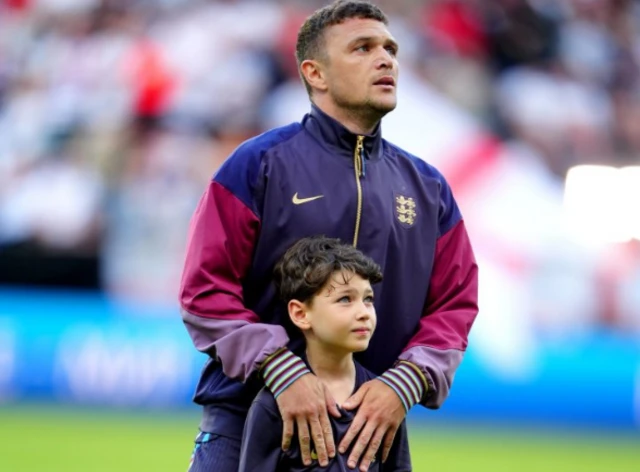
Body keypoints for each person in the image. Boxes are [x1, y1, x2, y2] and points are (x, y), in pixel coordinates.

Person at [180, 1, 479, 471]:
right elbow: (205, 290)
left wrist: (405, 382)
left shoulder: (429, 188)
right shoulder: (257, 165)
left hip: (366, 436)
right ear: (314, 73)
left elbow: (454, 306)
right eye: (363, 48)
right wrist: (282, 371)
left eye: (390, 49)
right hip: (245, 424)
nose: (386, 60)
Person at [238, 236, 411, 471]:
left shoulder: (384, 401)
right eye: (345, 299)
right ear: (300, 314)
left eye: (368, 299)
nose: (364, 312)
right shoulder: (273, 405)